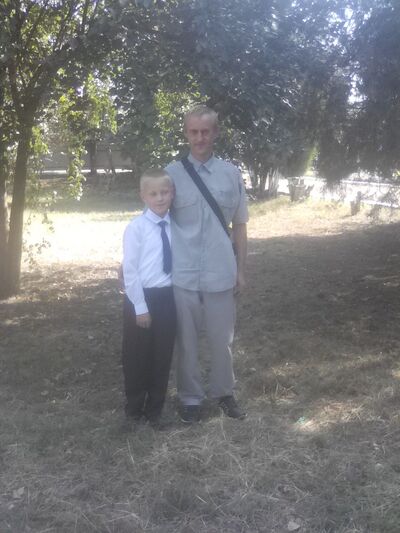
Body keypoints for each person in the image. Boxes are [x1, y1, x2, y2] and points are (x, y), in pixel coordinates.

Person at [165, 105, 248, 423]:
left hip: (221, 271)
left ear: (215, 133)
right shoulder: (171, 174)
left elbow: (240, 226)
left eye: (205, 131)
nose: (199, 138)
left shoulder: (231, 174)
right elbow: (154, 223)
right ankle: (190, 398)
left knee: (222, 340)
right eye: (193, 132)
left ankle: (224, 393)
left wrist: (242, 270)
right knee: (186, 341)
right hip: (183, 273)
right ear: (186, 133)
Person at [121, 168, 176, 424]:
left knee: (162, 355)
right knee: (137, 354)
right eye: (153, 194)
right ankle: (134, 409)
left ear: (172, 193)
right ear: (143, 196)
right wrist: (140, 307)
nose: (160, 198)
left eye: (164, 192)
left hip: (168, 298)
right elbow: (130, 270)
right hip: (140, 299)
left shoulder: (176, 226)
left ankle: (155, 410)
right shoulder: (137, 228)